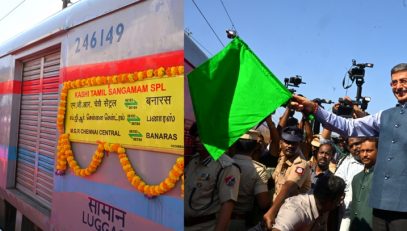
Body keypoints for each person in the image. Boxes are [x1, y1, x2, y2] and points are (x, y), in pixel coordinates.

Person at [290, 63, 407, 231]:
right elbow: (349, 127)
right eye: (394, 82)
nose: (398, 87)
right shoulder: (384, 116)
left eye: (403, 81)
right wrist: (315, 109)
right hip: (380, 203)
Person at [184, 123, 241, 231]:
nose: (197, 139)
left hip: (205, 227)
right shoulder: (193, 161)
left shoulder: (226, 167)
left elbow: (227, 206)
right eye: (196, 135)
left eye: (202, 136)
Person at [263, 126, 311, 229]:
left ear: (299, 144)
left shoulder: (300, 164)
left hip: (290, 216)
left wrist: (271, 212)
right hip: (277, 211)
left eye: (294, 143)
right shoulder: (283, 157)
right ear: (281, 142)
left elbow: (287, 188)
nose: (290, 145)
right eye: (287, 142)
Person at [229, 130, 271, 231]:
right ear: (256, 147)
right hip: (240, 222)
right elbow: (263, 203)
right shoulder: (258, 170)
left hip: (217, 218)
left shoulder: (223, 164)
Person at [271, 174, 346, 231]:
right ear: (328, 200)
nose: (342, 200)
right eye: (340, 197)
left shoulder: (324, 208)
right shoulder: (295, 211)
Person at [349, 137, 378, 231]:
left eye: (369, 151)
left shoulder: (382, 178)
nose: (365, 154)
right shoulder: (356, 178)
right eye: (362, 151)